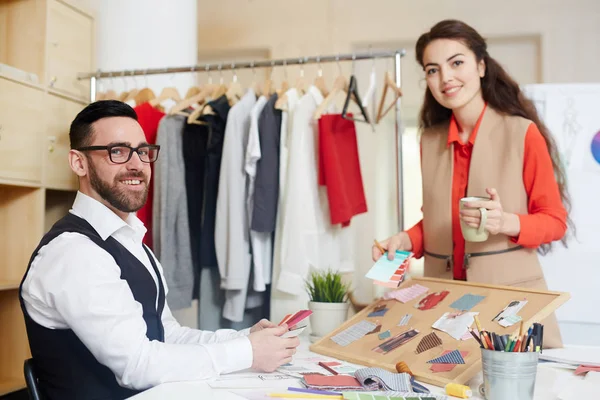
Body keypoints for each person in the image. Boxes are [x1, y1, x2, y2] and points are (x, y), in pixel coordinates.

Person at [19, 100, 300, 400]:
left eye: (142, 151)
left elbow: (167, 334)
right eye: (118, 151)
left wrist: (244, 338)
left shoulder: (130, 241)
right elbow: (137, 365)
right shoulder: (73, 253)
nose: (137, 164)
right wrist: (246, 353)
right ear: (79, 163)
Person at [372, 20, 571, 348]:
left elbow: (555, 221)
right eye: (433, 70)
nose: (445, 78)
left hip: (507, 305)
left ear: (480, 66)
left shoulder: (521, 133)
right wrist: (405, 239)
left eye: (457, 63)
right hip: (443, 305)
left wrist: (505, 221)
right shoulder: (430, 141)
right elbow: (439, 222)